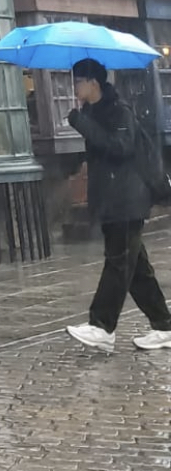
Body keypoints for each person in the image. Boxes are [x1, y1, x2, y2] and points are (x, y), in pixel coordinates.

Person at [65, 57, 171, 352]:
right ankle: (164, 326)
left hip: (127, 199)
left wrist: (82, 124)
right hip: (112, 201)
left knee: (118, 263)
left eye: (78, 82)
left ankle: (102, 326)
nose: (75, 87)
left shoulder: (118, 110)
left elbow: (120, 147)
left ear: (93, 83)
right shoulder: (92, 111)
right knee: (136, 269)